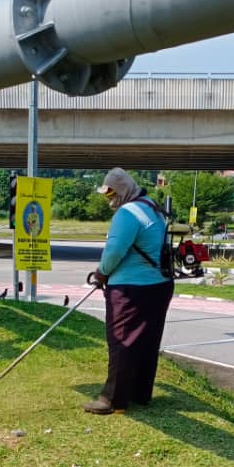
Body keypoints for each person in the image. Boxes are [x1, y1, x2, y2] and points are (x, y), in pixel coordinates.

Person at [84, 167, 174, 415]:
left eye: (111, 192)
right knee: (146, 342)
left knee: (121, 341)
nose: (109, 198)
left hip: (130, 290)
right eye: (106, 193)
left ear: (123, 190)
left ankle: (112, 400)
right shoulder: (152, 207)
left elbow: (113, 252)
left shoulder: (127, 213)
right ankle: (139, 394)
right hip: (159, 285)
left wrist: (102, 272)